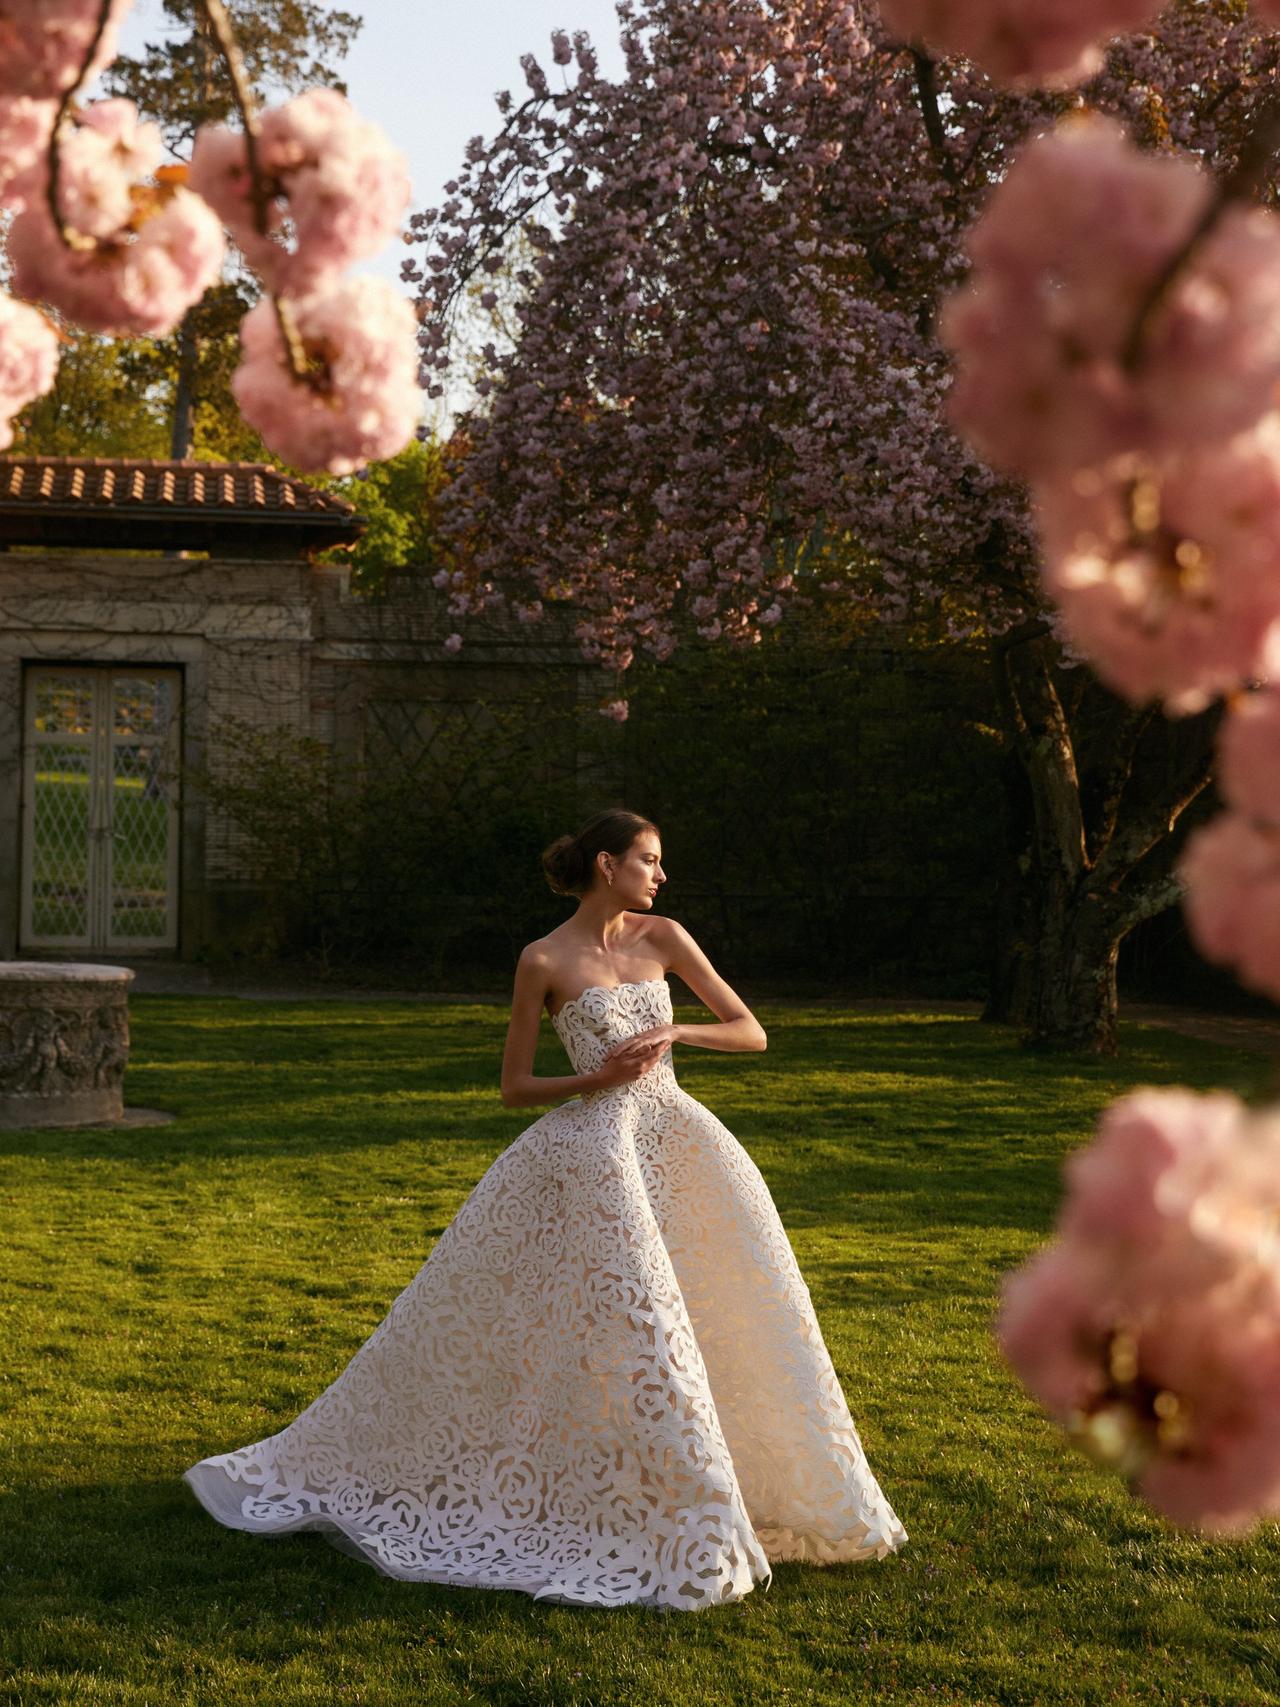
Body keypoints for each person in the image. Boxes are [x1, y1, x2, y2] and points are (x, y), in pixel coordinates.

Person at [184, 807, 907, 1609]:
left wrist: (675, 1038)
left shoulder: (664, 936)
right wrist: (593, 1080)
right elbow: (514, 1087)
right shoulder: (541, 959)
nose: (660, 874)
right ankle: (655, 1495)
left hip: (679, 1139)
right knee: (633, 1327)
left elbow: (751, 1030)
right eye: (649, 859)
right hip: (594, 1158)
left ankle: (744, 1482)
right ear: (608, 863)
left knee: (723, 1306)